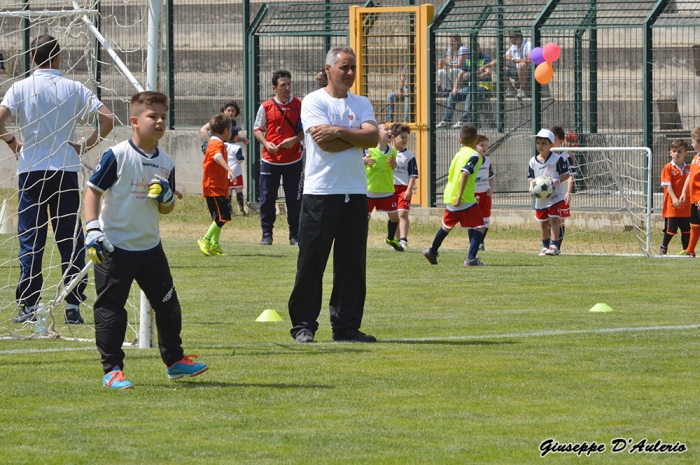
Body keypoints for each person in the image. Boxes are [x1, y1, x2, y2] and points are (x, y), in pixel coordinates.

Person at [84, 91, 208, 389]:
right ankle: (112, 370)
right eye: (153, 116)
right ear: (135, 121)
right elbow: (92, 191)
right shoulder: (117, 155)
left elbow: (166, 208)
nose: (160, 121)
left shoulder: (166, 161)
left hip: (151, 247)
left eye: (163, 116)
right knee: (111, 309)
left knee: (168, 306)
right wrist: (92, 228)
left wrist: (167, 197)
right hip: (115, 246)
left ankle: (175, 362)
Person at [0, 35, 114, 324]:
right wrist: (86, 145)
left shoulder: (20, 87)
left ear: (32, 57)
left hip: (31, 171)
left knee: (31, 239)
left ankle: (28, 306)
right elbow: (108, 118)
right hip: (64, 170)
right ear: (59, 57)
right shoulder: (74, 88)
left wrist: (14, 143)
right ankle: (72, 305)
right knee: (70, 239)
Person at [287, 46, 379, 344]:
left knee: (352, 263)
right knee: (312, 260)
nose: (350, 73)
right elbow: (324, 144)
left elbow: (373, 137)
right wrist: (356, 135)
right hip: (321, 192)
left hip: (355, 191)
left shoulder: (362, 101)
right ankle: (303, 324)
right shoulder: (314, 101)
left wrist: (339, 132)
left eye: (353, 67)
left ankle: (346, 326)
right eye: (344, 67)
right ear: (329, 69)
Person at [423, 123, 486, 266]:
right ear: (476, 139)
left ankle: (432, 251)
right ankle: (471, 259)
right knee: (480, 227)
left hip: (450, 196)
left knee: (446, 227)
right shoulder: (475, 155)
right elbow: (464, 174)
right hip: (464, 198)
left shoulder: (458, 154)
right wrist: (459, 196)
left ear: (460, 140)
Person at [253, 69, 304, 246]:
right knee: (267, 198)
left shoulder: (300, 104)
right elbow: (257, 129)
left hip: (294, 160)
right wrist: (266, 144)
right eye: (283, 85)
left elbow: (307, 129)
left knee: (295, 199)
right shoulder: (266, 106)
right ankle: (267, 234)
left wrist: (295, 140)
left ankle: (295, 235)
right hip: (270, 160)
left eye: (289, 84)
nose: (287, 88)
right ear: (274, 88)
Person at [527, 129, 570, 256]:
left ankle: (554, 244)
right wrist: (532, 186)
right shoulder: (532, 161)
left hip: (555, 196)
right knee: (543, 222)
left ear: (551, 145)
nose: (540, 145)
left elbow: (567, 174)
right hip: (541, 198)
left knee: (554, 219)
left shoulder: (557, 159)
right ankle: (544, 245)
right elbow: (530, 177)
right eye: (538, 143)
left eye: (544, 143)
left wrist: (557, 181)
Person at [197, 114, 235, 256]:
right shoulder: (216, 144)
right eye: (231, 129)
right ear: (226, 130)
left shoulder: (219, 143)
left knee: (218, 217)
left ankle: (214, 244)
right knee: (223, 216)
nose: (232, 132)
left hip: (220, 186)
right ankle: (205, 239)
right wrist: (229, 170)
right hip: (213, 187)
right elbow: (217, 157)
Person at [363, 122, 402, 251]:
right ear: (378, 134)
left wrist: (394, 164)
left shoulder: (392, 152)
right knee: (364, 219)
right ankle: (360, 243)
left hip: (386, 190)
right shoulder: (368, 150)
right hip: (369, 191)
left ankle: (390, 238)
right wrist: (363, 161)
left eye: (390, 129)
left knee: (394, 217)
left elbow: (394, 167)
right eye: (386, 129)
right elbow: (357, 163)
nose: (389, 131)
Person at [437, 44, 493, 129]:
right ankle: (446, 121)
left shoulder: (486, 58)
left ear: (480, 49)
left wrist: (473, 75)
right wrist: (455, 88)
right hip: (470, 88)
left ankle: (462, 121)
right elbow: (460, 75)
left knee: (471, 95)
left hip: (484, 88)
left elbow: (488, 73)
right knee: (452, 95)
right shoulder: (468, 60)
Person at [659, 138, 690, 255]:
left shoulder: (688, 169)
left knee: (686, 230)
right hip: (672, 205)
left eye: (680, 151)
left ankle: (686, 250)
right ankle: (663, 247)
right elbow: (667, 185)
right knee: (671, 230)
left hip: (686, 206)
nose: (677, 154)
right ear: (670, 152)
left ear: (685, 154)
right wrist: (674, 198)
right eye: (674, 151)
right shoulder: (668, 167)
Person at [550, 126, 578, 251]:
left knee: (560, 220)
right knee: (549, 219)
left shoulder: (566, 156)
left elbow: (571, 176)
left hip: (561, 193)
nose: (550, 141)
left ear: (561, 141)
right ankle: (549, 245)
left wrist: (568, 192)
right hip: (549, 193)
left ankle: (557, 246)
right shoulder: (546, 156)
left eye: (553, 138)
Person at [391, 123, 418, 250]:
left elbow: (413, 174)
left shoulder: (410, 155)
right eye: (402, 137)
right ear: (393, 137)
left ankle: (403, 240)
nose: (405, 140)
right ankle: (395, 241)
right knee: (394, 215)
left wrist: (409, 189)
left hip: (403, 188)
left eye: (406, 137)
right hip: (389, 188)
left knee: (402, 214)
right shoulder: (387, 153)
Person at [470, 135, 494, 251]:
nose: (484, 148)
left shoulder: (488, 161)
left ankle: (481, 242)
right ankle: (473, 243)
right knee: (473, 221)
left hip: (485, 195)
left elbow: (491, 177)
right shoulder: (472, 160)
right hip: (474, 195)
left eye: (486, 146)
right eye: (482, 145)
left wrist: (491, 188)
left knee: (486, 221)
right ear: (475, 146)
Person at [682, 128, 700, 257]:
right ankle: (690, 251)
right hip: (694, 199)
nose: (691, 144)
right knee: (694, 225)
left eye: (693, 141)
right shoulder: (695, 157)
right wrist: (684, 192)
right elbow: (690, 176)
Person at [226, 136, 247, 216]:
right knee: (239, 191)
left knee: (228, 192)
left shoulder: (224, 145)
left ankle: (229, 210)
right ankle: (241, 210)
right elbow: (240, 159)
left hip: (227, 170)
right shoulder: (237, 147)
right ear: (235, 137)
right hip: (236, 171)